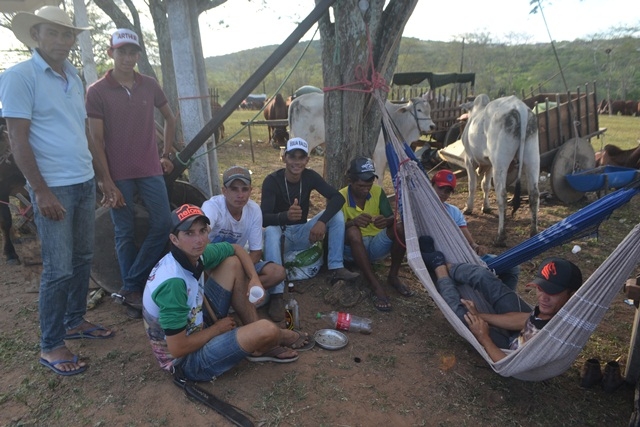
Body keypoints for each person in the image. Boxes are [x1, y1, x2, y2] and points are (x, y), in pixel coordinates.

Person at [0, 6, 115, 376]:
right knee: (58, 268)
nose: (62, 40)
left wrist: (103, 177)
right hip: (54, 187)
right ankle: (51, 345)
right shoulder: (19, 76)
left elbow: (83, 131)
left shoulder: (73, 76)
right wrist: (40, 191)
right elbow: (17, 139)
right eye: (53, 32)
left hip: (83, 181)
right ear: (35, 35)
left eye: (68, 34)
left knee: (83, 257)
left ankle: (74, 320)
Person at [142, 204, 312, 381]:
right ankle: (278, 336)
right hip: (186, 361)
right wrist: (216, 329)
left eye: (202, 231)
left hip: (196, 322)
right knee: (267, 329)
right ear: (174, 239)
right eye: (189, 233)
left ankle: (260, 344)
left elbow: (236, 249)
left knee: (232, 263)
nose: (199, 240)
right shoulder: (173, 283)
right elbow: (177, 348)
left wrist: (253, 278)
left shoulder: (194, 254)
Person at [86, 29, 176, 318]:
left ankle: (129, 286)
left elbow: (170, 117)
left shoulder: (149, 85)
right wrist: (106, 179)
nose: (127, 57)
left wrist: (166, 154)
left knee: (163, 223)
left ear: (138, 54)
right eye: (121, 52)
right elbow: (96, 139)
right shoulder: (97, 91)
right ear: (111, 53)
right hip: (118, 173)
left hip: (150, 168)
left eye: (132, 52)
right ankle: (133, 294)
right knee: (123, 231)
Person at [420, 237, 582, 362]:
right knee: (484, 276)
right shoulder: (551, 310)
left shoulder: (560, 333)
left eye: (553, 292)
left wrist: (484, 337)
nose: (543, 298)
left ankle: (439, 268)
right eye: (540, 288)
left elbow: (509, 364)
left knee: (461, 315)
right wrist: (480, 315)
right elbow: (527, 320)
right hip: (518, 334)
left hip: (509, 352)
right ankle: (446, 264)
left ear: (571, 295)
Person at [261, 137, 359, 319]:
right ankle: (276, 294)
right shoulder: (272, 180)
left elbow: (338, 198)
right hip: (281, 237)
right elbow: (264, 218)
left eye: (301, 157)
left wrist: (322, 222)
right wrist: (285, 216)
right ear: (284, 157)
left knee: (336, 215)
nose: (296, 162)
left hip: (302, 233)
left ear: (307, 160)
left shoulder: (309, 176)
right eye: (292, 157)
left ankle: (336, 267)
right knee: (272, 230)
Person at [201, 166, 286, 319]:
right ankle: (237, 297)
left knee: (277, 272)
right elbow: (202, 235)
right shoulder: (212, 206)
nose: (240, 195)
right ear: (224, 191)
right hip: (211, 265)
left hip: (238, 261)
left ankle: (234, 295)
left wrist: (241, 273)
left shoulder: (254, 210)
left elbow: (256, 252)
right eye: (234, 189)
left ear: (251, 190)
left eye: (244, 189)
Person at [340, 157, 413, 312]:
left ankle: (393, 276)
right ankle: (375, 286)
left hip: (375, 245)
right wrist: (353, 222)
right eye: (361, 185)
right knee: (353, 232)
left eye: (369, 185)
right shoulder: (341, 197)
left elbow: (392, 218)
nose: (366, 189)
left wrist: (386, 221)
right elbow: (333, 232)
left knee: (401, 228)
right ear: (350, 181)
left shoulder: (377, 191)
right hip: (351, 250)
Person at [431, 169, 519, 290]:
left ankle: (505, 298)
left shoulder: (453, 211)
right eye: (440, 188)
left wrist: (476, 246)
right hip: (448, 262)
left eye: (448, 191)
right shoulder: (421, 211)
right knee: (482, 274)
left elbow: (469, 241)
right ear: (431, 186)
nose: (443, 193)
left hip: (465, 256)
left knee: (512, 267)